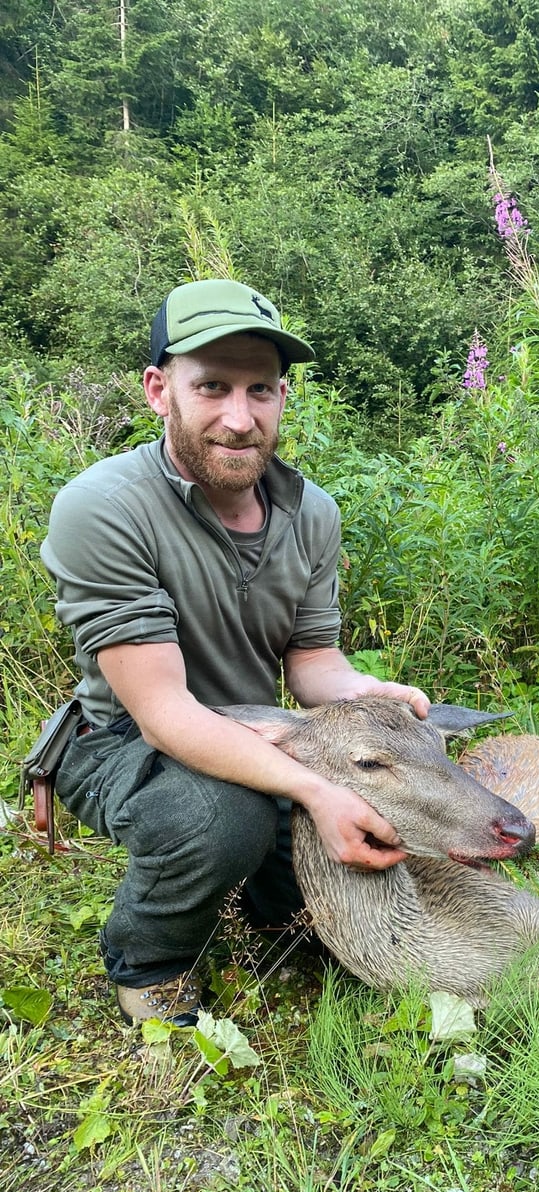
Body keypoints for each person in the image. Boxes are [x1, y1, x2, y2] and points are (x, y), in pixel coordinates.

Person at [40, 278, 430, 1027]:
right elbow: (163, 715)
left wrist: (372, 696)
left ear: (284, 396)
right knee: (225, 818)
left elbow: (313, 662)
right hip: (120, 739)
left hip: (256, 723)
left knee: (398, 793)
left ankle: (269, 900)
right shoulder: (105, 507)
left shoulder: (310, 511)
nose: (239, 417)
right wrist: (312, 790)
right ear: (160, 390)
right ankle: (149, 962)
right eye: (212, 386)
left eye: (261, 389)